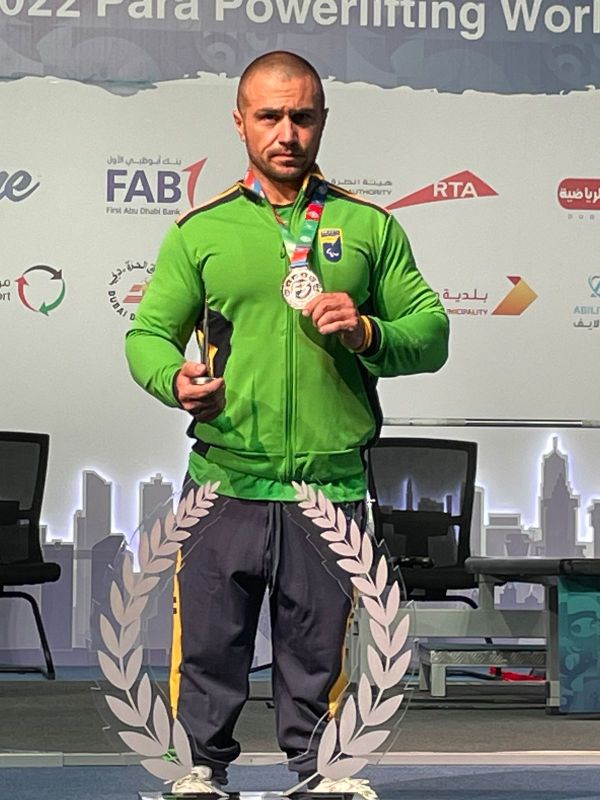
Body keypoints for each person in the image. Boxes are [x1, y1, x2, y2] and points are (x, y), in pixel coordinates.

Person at [125, 51, 449, 798]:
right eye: (269, 116)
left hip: (328, 484)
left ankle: (322, 771)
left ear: (322, 121)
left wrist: (368, 330)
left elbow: (430, 333)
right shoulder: (200, 231)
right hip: (224, 480)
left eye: (302, 116)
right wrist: (172, 378)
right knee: (208, 649)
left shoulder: (369, 228)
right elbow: (146, 335)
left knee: (319, 653)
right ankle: (197, 769)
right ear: (240, 121)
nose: (287, 133)